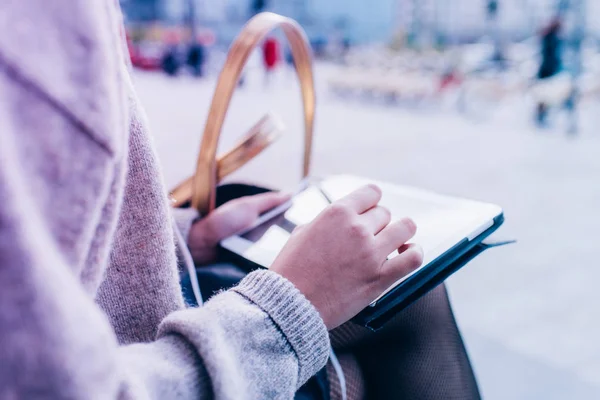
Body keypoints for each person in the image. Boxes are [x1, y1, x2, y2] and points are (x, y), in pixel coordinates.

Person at [0, 2, 480, 399]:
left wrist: (183, 237)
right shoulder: (37, 36)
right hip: (150, 360)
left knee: (399, 298)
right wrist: (289, 309)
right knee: (409, 297)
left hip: (136, 325)